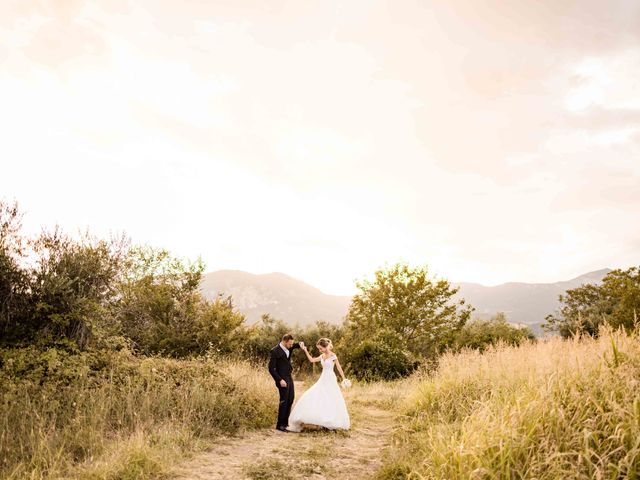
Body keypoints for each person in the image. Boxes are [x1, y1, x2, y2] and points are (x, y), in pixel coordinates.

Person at [286, 337, 350, 433]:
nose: (320, 350)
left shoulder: (333, 356)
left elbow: (339, 367)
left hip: (330, 379)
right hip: (323, 378)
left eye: (321, 348)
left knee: (331, 398)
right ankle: (321, 421)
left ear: (325, 347)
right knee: (317, 396)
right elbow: (311, 360)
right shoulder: (322, 356)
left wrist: (344, 378)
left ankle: (331, 421)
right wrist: (305, 350)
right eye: (319, 349)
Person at [268, 334, 304, 432]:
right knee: (284, 400)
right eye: (290, 344)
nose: (291, 345)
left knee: (290, 399)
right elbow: (271, 369)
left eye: (292, 344)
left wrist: (300, 343)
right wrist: (279, 380)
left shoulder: (289, 346)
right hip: (282, 379)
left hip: (289, 376)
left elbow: (296, 345)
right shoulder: (275, 351)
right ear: (284, 342)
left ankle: (285, 423)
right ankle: (280, 425)